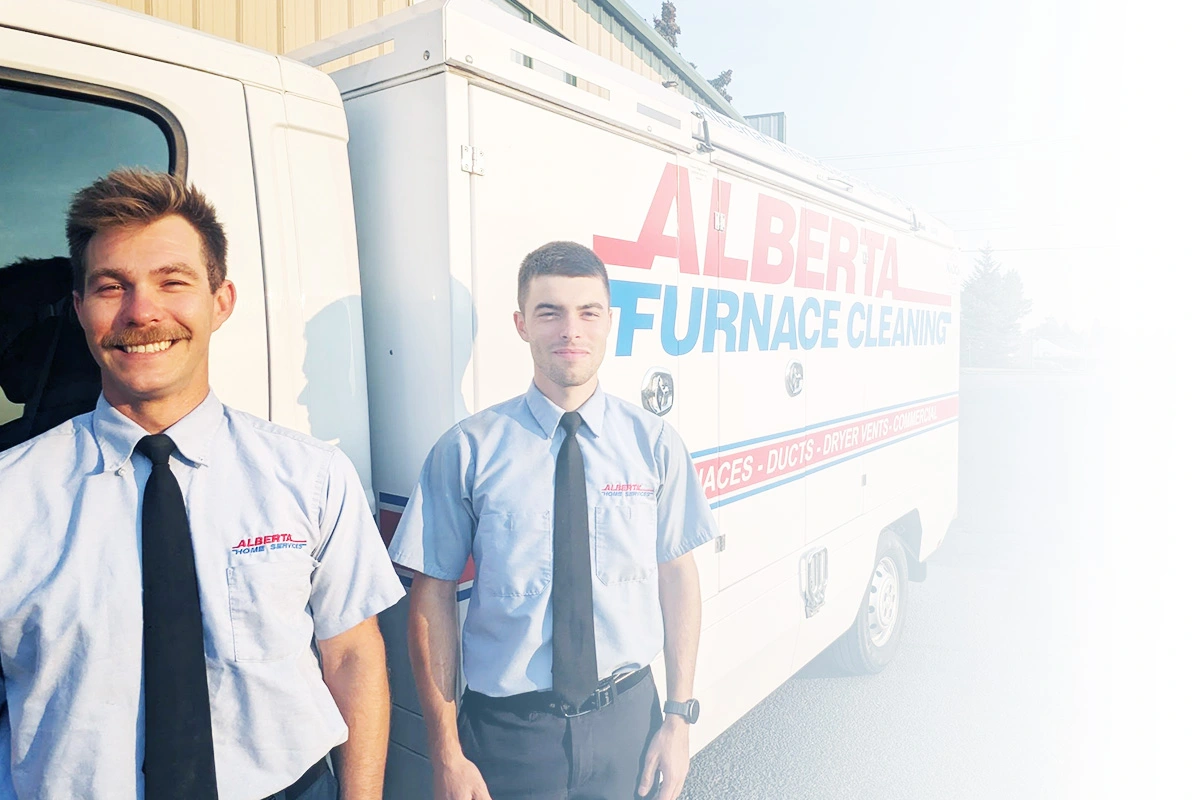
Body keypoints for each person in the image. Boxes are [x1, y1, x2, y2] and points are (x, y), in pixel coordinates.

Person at [0, 169, 404, 800]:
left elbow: (352, 656)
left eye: (173, 281)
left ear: (221, 301)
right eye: (112, 286)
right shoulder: (11, 497)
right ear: (80, 310)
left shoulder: (312, 476)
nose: (142, 311)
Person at [390, 241, 717, 800]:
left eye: (589, 312)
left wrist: (679, 717)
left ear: (609, 322)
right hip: (509, 734)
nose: (572, 329)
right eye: (550, 312)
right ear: (521, 324)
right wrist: (446, 751)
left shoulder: (654, 445)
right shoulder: (467, 450)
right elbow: (431, 598)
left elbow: (677, 577)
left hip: (628, 724)